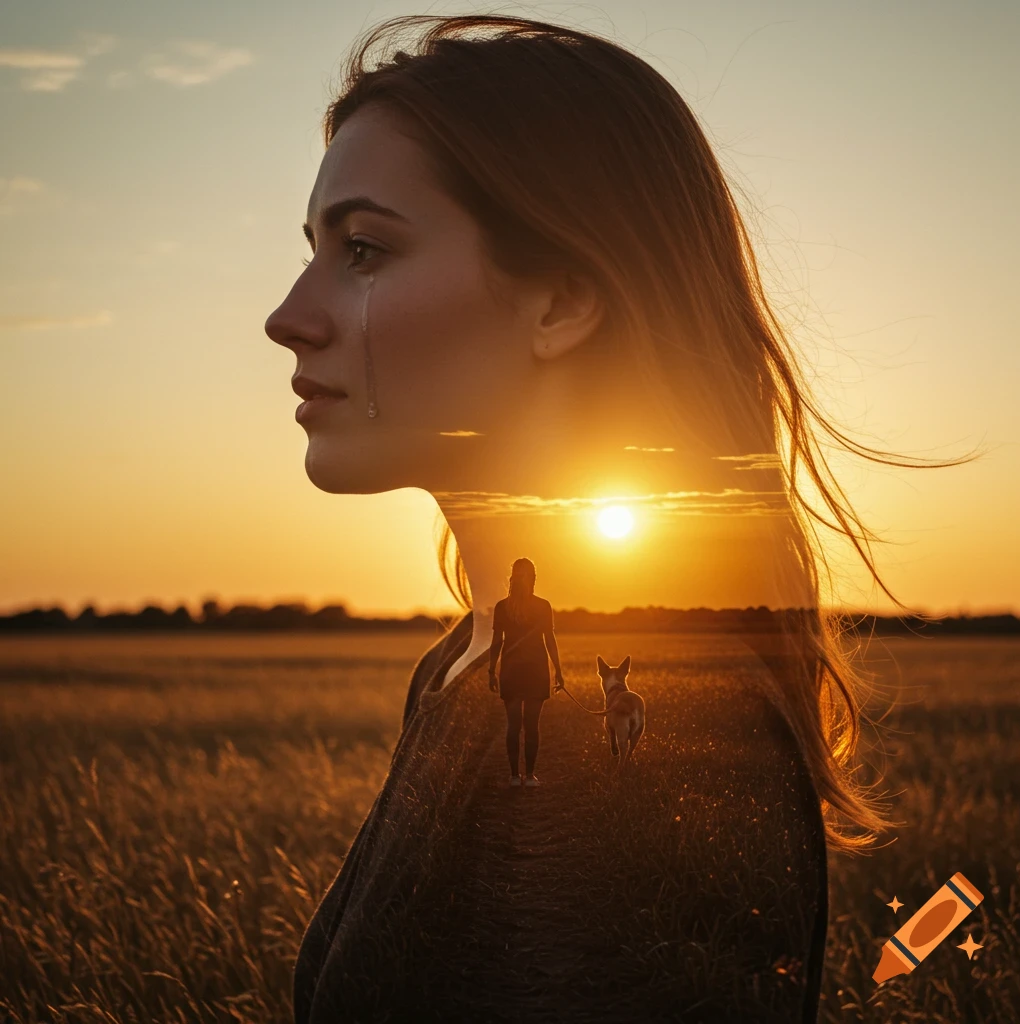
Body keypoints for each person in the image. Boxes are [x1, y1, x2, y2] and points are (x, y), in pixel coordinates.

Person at [264, 14, 977, 1022]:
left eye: (365, 250)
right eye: (314, 251)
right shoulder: (466, 661)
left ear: (561, 304)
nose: (288, 317)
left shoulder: (639, 731)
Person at [487, 557, 565, 787]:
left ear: (512, 578)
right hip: (536, 672)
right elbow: (550, 641)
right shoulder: (543, 606)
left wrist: (491, 671)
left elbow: (496, 643)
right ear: (534, 578)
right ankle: (530, 776)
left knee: (513, 726)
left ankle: (514, 777)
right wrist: (558, 670)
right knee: (532, 726)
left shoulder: (502, 607)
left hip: (510, 672)